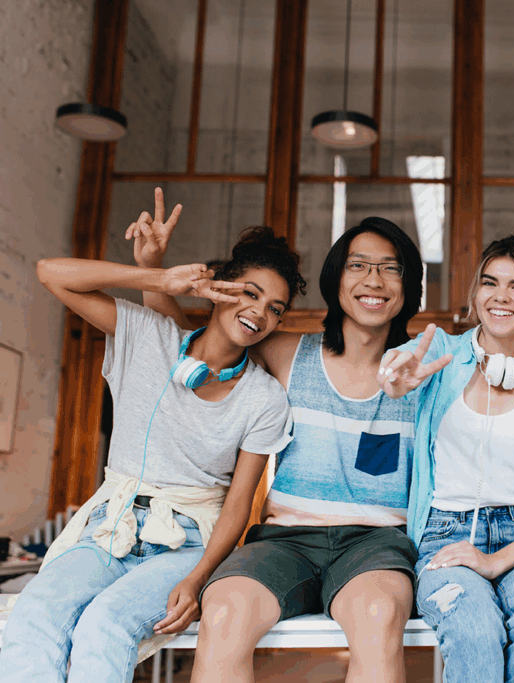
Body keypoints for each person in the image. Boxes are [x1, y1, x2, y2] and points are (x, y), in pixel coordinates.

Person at [131, 189, 428, 683]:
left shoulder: (424, 370)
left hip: (378, 545)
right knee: (223, 611)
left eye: (391, 268)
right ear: (336, 281)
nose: (373, 280)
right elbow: (193, 346)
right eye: (358, 265)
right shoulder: (288, 353)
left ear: (408, 286)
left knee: (378, 617)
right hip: (283, 542)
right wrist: (154, 271)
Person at [0, 225, 301, 683]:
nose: (259, 312)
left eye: (273, 308)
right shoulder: (149, 336)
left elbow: (239, 505)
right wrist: (158, 278)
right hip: (109, 527)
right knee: (34, 615)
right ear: (218, 290)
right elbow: (50, 273)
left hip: (187, 543)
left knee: (105, 625)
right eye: (249, 294)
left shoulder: (264, 399)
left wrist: (198, 578)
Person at [376, 235, 514, 683]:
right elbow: (400, 362)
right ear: (475, 294)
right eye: (489, 283)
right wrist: (394, 377)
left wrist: (499, 561)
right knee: (475, 630)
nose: (500, 296)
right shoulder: (440, 351)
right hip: (445, 536)